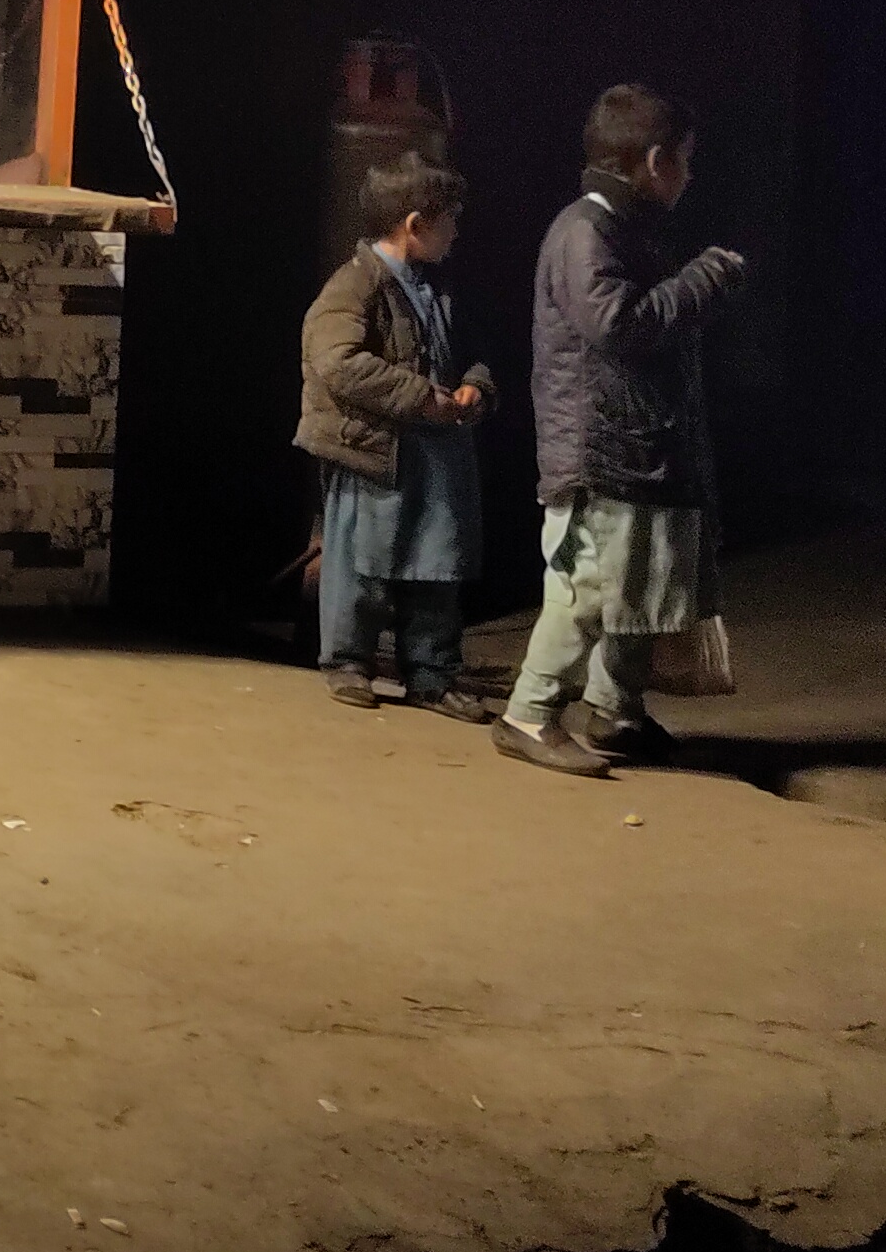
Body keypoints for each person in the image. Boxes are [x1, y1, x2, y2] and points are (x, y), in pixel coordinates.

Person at [496, 84, 747, 779]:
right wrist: (700, 281)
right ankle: (529, 712)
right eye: (685, 162)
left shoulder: (623, 229)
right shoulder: (586, 229)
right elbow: (619, 325)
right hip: (600, 451)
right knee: (591, 590)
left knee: (642, 591)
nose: (689, 177)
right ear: (657, 159)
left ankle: (615, 712)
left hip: (640, 445)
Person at [296, 151, 497, 721]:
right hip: (375, 453)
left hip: (436, 457)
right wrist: (419, 396)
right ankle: (347, 662)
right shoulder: (356, 284)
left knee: (438, 563)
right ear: (415, 224)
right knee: (362, 563)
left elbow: (472, 353)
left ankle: (432, 674)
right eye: (449, 219)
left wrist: (476, 387)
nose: (456, 231)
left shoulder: (438, 287)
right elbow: (336, 360)